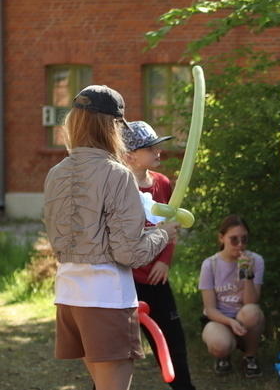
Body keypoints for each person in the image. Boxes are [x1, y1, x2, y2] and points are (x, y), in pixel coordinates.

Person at [43, 85, 179, 390]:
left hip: (69, 295)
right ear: (112, 125)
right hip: (106, 297)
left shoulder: (56, 172)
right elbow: (129, 253)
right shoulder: (117, 174)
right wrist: (163, 233)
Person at [122, 121, 196, 390]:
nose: (158, 151)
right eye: (150, 148)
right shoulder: (119, 188)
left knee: (173, 342)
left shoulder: (162, 183)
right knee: (118, 350)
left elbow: (171, 226)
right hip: (125, 281)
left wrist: (164, 261)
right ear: (130, 155)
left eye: (157, 146)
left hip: (156, 278)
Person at [198, 214, 265, 378]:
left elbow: (251, 302)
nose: (240, 245)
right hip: (218, 319)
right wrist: (230, 322)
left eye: (244, 239)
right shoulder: (210, 264)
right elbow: (210, 309)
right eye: (234, 240)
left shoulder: (256, 260)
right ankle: (224, 354)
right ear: (222, 238)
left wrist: (247, 274)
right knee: (220, 344)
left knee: (253, 312)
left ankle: (250, 356)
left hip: (244, 317)